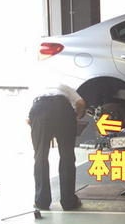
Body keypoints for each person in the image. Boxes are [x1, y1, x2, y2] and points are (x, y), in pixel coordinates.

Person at [27, 81, 86, 210]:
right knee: (67, 155)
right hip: (62, 109)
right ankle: (68, 202)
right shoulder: (65, 87)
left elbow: (28, 119)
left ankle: (41, 201)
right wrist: (76, 117)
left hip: (39, 108)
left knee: (40, 156)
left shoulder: (38, 89)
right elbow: (81, 103)